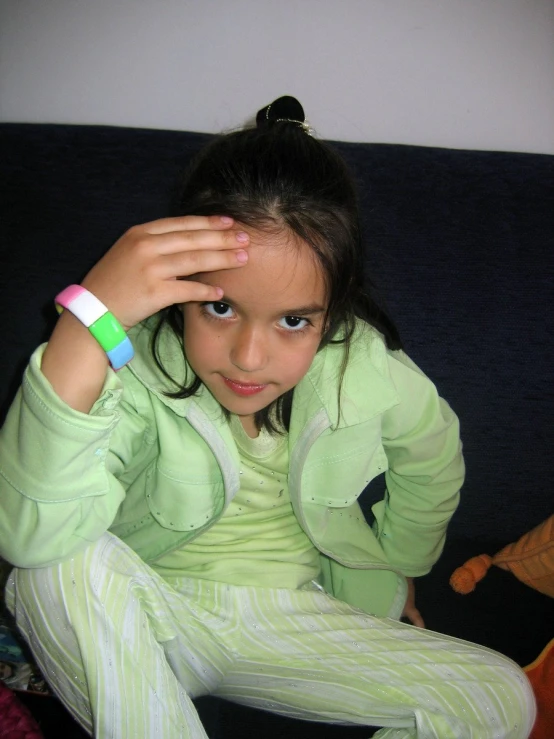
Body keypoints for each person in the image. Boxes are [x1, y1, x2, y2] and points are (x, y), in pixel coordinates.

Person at [0, 96, 535, 739]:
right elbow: (32, 537)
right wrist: (85, 329)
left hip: (291, 623)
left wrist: (398, 566)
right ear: (179, 290)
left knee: (500, 695)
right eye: (220, 310)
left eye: (293, 320)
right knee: (50, 566)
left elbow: (432, 457)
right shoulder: (134, 369)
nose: (249, 359)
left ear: (333, 313)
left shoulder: (365, 370)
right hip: (145, 610)